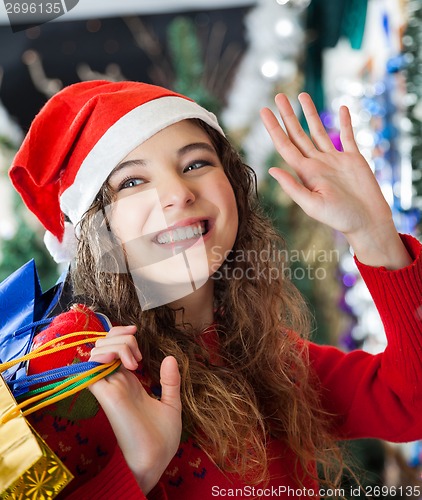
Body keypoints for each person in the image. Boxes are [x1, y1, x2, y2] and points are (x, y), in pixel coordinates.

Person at [8, 80, 422, 499]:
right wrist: (139, 468)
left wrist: (374, 235)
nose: (178, 194)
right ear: (97, 227)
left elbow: (410, 403)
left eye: (195, 164)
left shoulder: (269, 357)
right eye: (132, 182)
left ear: (236, 190)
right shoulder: (76, 355)